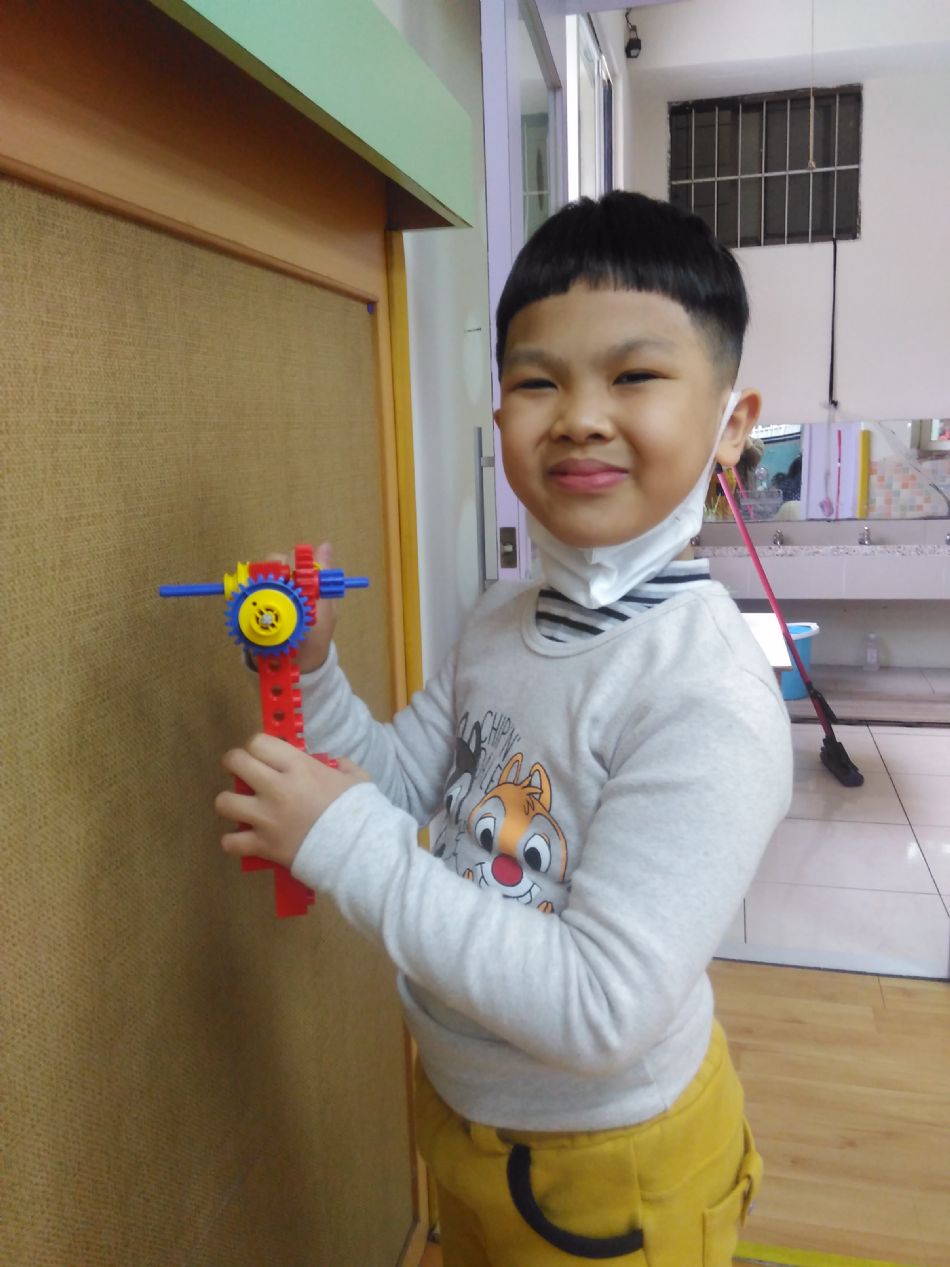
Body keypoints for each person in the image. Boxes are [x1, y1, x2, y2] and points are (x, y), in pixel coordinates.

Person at [214, 191, 793, 1267]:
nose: (578, 416)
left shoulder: (705, 699)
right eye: (537, 381)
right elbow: (399, 786)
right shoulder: (501, 618)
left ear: (731, 423)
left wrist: (343, 842)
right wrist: (312, 668)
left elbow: (599, 1006)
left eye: (633, 375)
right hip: (465, 1109)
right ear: (499, 422)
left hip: (612, 1162)